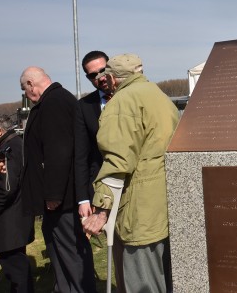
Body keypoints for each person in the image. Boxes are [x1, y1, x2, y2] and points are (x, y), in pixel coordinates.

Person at [83, 54, 179, 293]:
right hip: (163, 205)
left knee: (142, 283)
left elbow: (117, 160)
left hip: (139, 211)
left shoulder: (122, 102)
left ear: (113, 79)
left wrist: (101, 211)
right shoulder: (161, 97)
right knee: (164, 279)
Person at [20, 66, 96, 293]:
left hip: (63, 200)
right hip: (62, 197)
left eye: (24, 88)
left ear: (31, 84)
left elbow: (59, 152)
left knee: (70, 253)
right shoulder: (55, 100)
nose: (25, 94)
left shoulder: (54, 103)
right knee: (59, 251)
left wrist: (53, 195)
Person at [0, 114, 35, 293]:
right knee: (17, 268)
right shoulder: (15, 144)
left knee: (16, 270)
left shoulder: (9, 148)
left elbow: (6, 188)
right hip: (14, 218)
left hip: (8, 221)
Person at [75, 51, 111, 219]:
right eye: (94, 75)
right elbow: (81, 155)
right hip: (103, 185)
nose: (101, 77)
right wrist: (83, 198)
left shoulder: (134, 96)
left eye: (103, 70)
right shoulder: (84, 106)